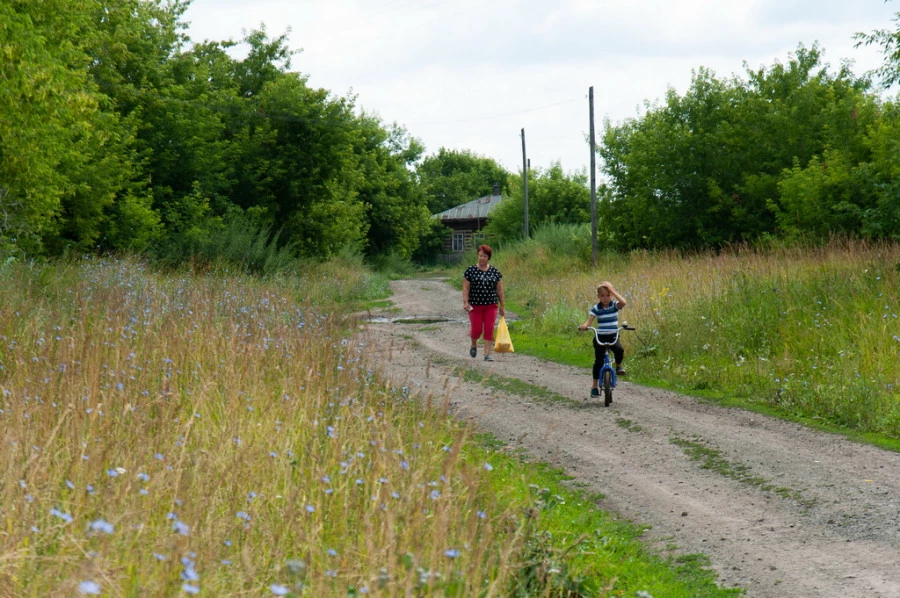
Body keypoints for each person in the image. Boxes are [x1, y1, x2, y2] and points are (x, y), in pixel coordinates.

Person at [578, 281, 627, 397]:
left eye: (608, 295)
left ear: (611, 295)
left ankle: (618, 365)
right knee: (598, 362)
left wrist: (613, 290)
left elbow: (623, 302)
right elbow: (589, 321)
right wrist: (585, 326)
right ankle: (594, 386)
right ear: (598, 297)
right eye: (602, 296)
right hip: (600, 336)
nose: (605, 298)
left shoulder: (614, 306)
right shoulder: (596, 308)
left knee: (619, 350)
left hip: (613, 336)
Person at [462, 245, 505, 361]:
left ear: (488, 257)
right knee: (476, 330)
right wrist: (465, 302)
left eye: (484, 256)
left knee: (489, 329)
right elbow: (465, 288)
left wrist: (502, 306)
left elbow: (500, 290)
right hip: (475, 306)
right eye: (480, 256)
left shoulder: (495, 272)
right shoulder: (470, 271)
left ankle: (487, 354)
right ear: (478, 256)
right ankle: (474, 344)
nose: (482, 258)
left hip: (491, 305)